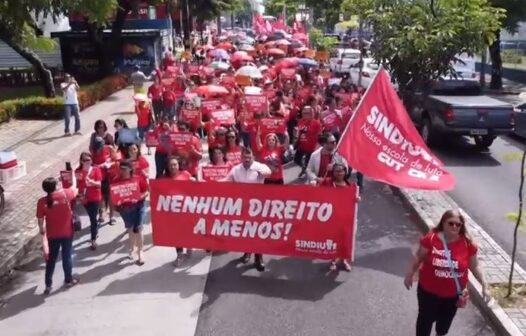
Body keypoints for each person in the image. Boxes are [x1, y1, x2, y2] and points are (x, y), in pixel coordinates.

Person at [404, 210, 489, 336]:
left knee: (444, 324)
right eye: (451, 223)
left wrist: (484, 284)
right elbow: (418, 257)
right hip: (428, 292)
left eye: (458, 224)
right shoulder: (431, 238)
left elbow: (474, 266)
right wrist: (409, 273)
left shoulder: (468, 244)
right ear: (443, 223)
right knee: (425, 320)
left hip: (452, 295)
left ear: (461, 226)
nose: (454, 226)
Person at [221, 147, 271, 271]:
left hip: (257, 207)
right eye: (245, 157)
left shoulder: (259, 166)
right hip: (242, 206)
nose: (247, 159)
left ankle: (258, 258)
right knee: (246, 232)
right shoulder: (236, 169)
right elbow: (227, 181)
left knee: (258, 233)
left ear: (253, 157)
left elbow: (268, 172)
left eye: (249, 157)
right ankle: (247, 252)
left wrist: (262, 173)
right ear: (241, 158)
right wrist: (209, 183)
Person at [37, 177, 79, 294]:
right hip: (67, 232)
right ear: (55, 186)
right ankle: (68, 280)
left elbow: (40, 220)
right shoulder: (66, 195)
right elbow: (75, 188)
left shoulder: (42, 202)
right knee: (67, 256)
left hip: (52, 235)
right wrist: (73, 177)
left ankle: (48, 285)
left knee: (51, 259)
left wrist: (42, 230)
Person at [113, 160, 149, 265]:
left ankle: (140, 252)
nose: (122, 171)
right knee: (130, 229)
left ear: (130, 169)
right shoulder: (116, 180)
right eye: (121, 168)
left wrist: (138, 198)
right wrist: (116, 205)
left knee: (138, 228)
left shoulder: (138, 179)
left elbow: (146, 191)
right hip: (125, 209)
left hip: (138, 206)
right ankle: (132, 248)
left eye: (124, 169)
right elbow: (114, 194)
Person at [320, 163, 354, 271]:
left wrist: (357, 199)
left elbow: (353, 200)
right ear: (333, 173)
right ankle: (333, 260)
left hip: (346, 218)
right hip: (331, 217)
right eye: (337, 171)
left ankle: (343, 260)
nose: (340, 173)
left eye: (342, 170)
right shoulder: (327, 182)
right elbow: (318, 193)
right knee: (334, 239)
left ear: (345, 172)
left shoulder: (351, 186)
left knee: (345, 240)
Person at [163, 157, 195, 266]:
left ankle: (189, 246)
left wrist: (194, 182)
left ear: (178, 165)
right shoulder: (164, 179)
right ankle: (180, 255)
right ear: (168, 167)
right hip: (173, 212)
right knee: (176, 234)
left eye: (175, 164)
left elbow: (195, 189)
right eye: (171, 165)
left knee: (188, 230)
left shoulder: (185, 174)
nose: (173, 167)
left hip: (186, 210)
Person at [75, 152, 102, 250]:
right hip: (84, 198)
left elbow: (99, 184)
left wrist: (92, 182)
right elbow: (77, 185)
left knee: (92, 218)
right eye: (85, 160)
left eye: (89, 159)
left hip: (95, 197)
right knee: (91, 215)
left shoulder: (96, 169)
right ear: (81, 161)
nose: (87, 162)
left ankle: (93, 239)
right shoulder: (77, 171)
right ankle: (95, 231)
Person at [294, 105, 322, 178]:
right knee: (296, 160)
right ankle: (304, 168)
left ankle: (306, 172)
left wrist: (317, 147)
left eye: (307, 113)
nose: (304, 114)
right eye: (303, 113)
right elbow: (297, 132)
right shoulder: (300, 121)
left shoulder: (316, 123)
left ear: (312, 114)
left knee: (307, 162)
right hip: (301, 146)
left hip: (311, 147)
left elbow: (320, 136)